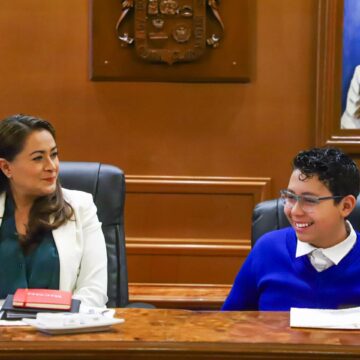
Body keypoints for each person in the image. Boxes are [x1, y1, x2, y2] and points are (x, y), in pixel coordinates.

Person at [222, 147, 360, 311]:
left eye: (309, 200)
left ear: (346, 206)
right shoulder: (267, 248)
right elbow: (231, 323)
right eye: (290, 197)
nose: (294, 211)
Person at [0, 114, 108, 307]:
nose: (52, 167)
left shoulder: (82, 207)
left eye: (54, 154)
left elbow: (94, 291)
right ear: (7, 167)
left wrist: (56, 321)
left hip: (60, 330)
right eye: (38, 158)